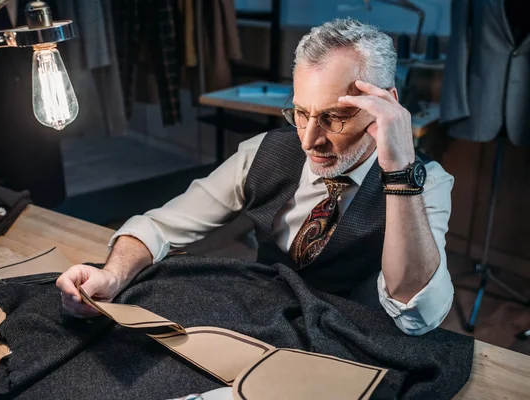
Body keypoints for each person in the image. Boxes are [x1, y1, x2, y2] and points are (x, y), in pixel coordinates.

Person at [57, 18, 454, 336]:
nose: (310, 140)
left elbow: (418, 314)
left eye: (333, 117)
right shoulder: (263, 152)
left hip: (351, 340)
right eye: (301, 112)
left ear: (385, 104)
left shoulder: (427, 183)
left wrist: (399, 173)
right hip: (266, 324)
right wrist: (111, 274)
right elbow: (160, 226)